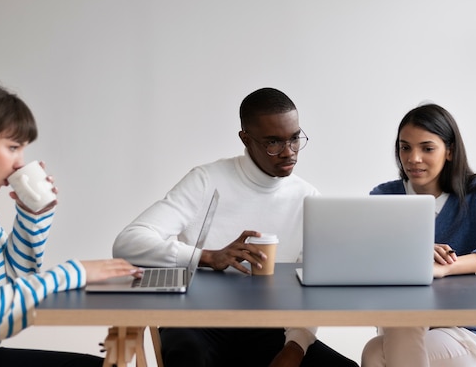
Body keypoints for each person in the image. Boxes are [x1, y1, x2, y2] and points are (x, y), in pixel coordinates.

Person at [113, 88, 357, 367]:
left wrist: (295, 346)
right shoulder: (206, 180)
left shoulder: (308, 198)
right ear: (246, 138)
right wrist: (205, 257)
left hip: (269, 328)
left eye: (295, 139)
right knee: (188, 355)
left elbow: (308, 291)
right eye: (273, 142)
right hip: (196, 321)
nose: (289, 152)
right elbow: (128, 242)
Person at [0, 80, 141, 367]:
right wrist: (74, 272)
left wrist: (30, 216)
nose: (19, 163)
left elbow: (12, 281)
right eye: (13, 147)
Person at [360, 103, 476, 367]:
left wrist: (446, 267)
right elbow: (366, 253)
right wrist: (416, 250)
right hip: (406, 325)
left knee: (382, 350)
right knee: (375, 350)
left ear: (449, 151)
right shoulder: (384, 197)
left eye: (427, 148)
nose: (413, 158)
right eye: (405, 147)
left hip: (470, 331)